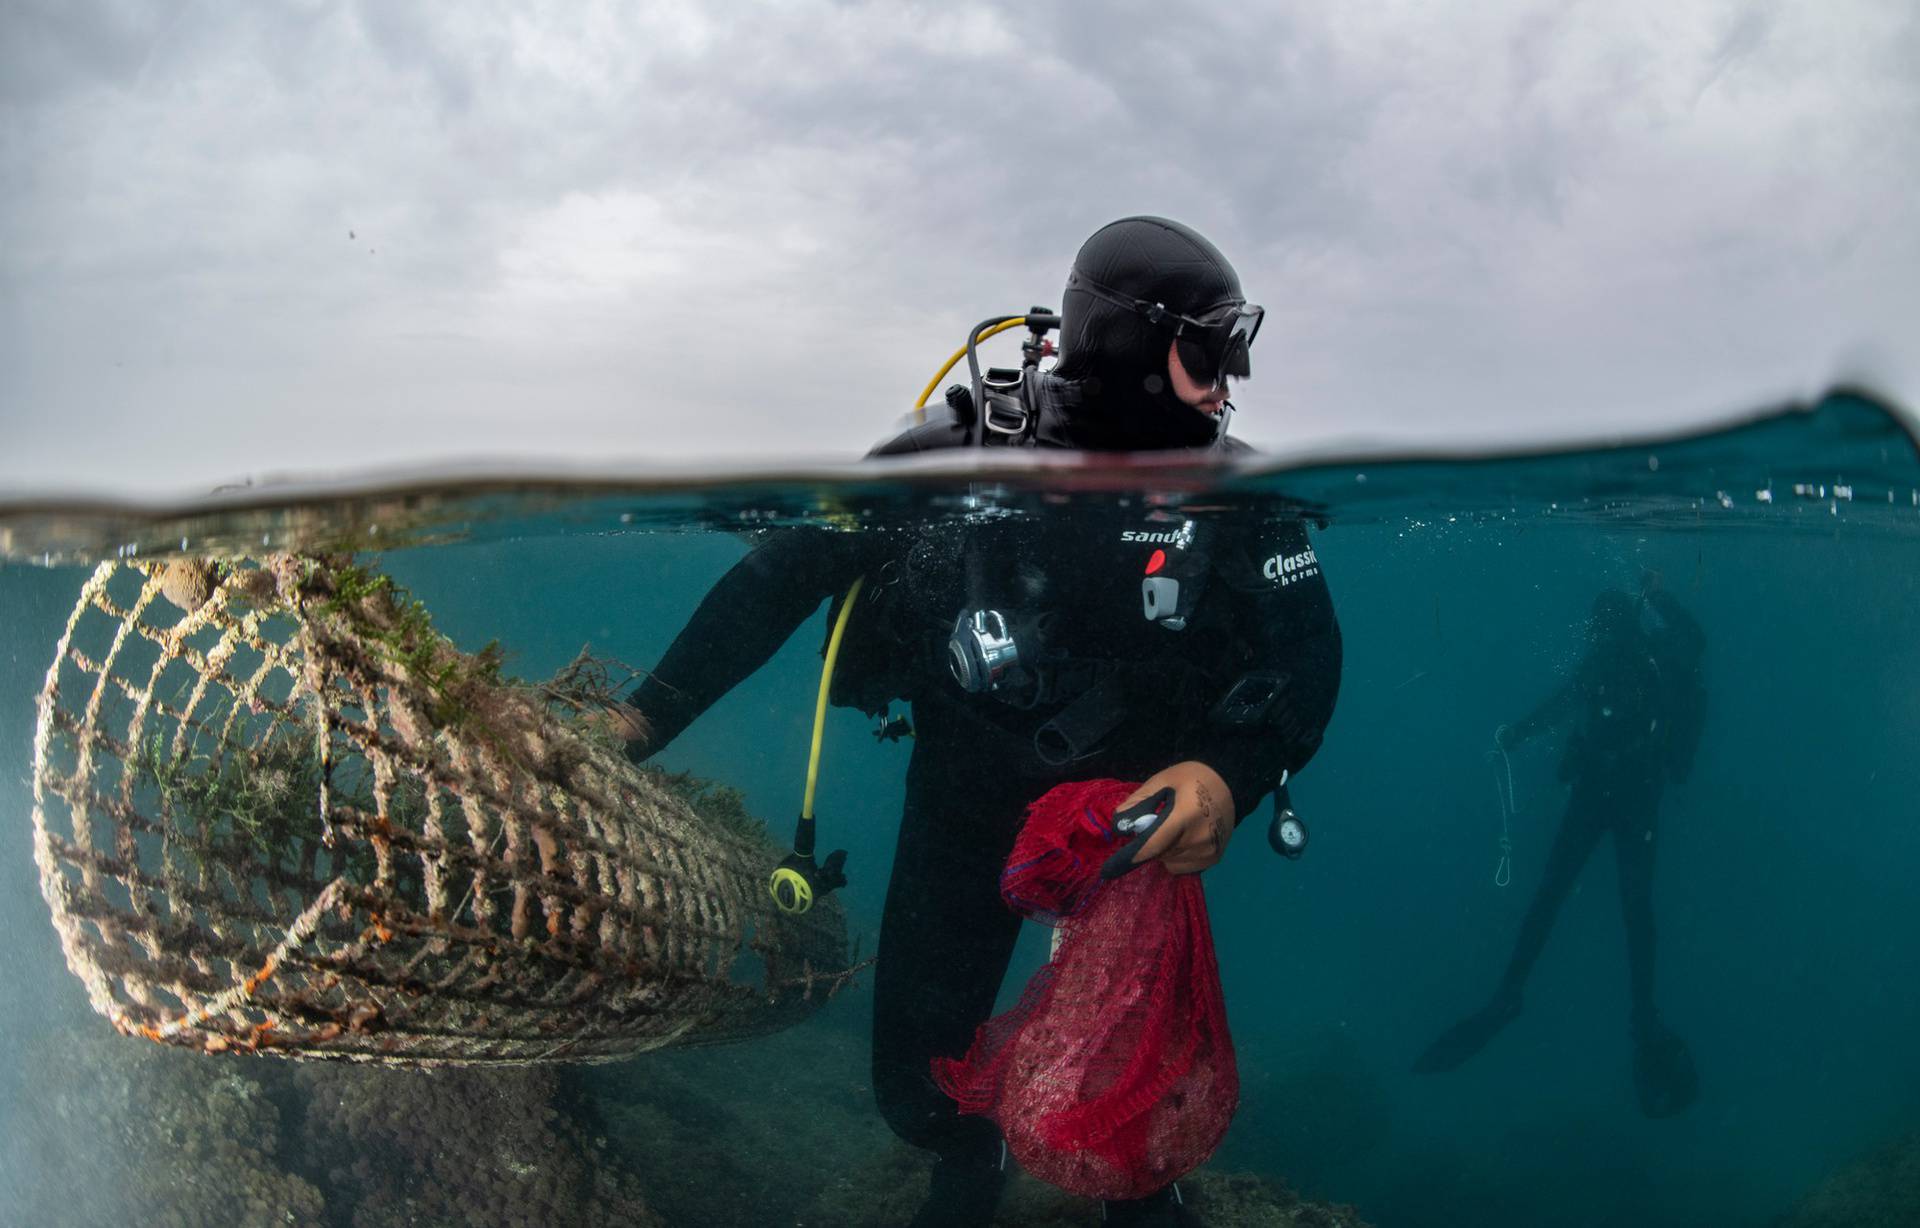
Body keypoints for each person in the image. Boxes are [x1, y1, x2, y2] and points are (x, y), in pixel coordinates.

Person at [613, 217, 1344, 1226]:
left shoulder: (1242, 496)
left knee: (1134, 1102)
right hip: (967, 799)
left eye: (1239, 345)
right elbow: (782, 574)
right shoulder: (953, 457)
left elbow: (1307, 661)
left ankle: (1138, 1184)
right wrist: (641, 720)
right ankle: (971, 1148)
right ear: (1136, 345)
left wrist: (1227, 777)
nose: (1236, 376)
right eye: (1210, 347)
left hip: (1133, 830)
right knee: (911, 1090)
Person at [1413, 576, 1707, 1118]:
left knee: (1558, 897)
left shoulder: (1638, 659)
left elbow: (1562, 705)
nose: (1602, 638)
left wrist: (1517, 733)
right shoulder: (1643, 657)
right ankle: (1636, 1012)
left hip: (1605, 795)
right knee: (1629, 907)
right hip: (1626, 796)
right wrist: (1517, 733)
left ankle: (1512, 993)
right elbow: (1569, 701)